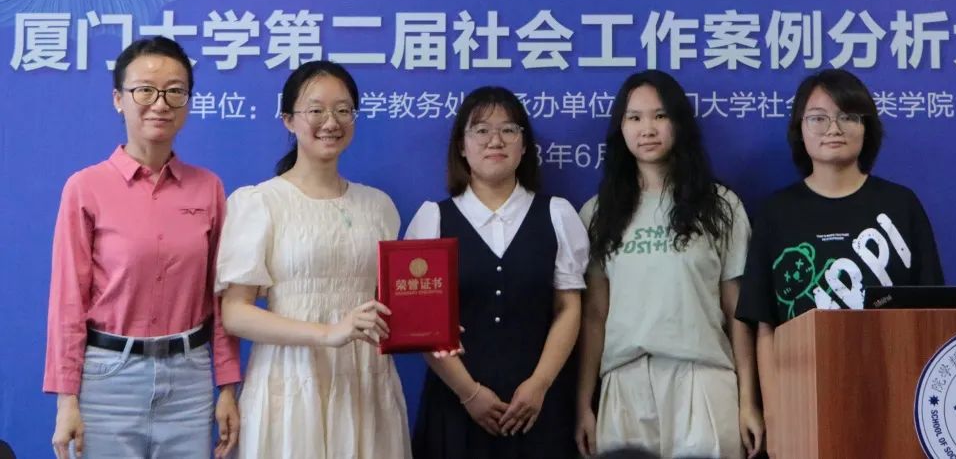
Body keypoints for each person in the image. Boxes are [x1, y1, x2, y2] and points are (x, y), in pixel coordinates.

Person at [44, 36, 241, 459]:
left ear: (187, 102)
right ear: (119, 99)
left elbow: (220, 296)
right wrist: (66, 399)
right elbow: (68, 302)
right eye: (144, 90)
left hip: (189, 381)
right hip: (108, 379)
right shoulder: (86, 187)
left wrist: (227, 386)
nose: (160, 103)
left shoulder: (208, 188)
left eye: (175, 91)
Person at [216, 60, 410, 458]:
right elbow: (235, 313)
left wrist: (431, 326)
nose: (331, 122)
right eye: (316, 110)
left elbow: (390, 302)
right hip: (292, 377)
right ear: (288, 120)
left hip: (365, 379)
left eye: (343, 110)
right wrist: (327, 332)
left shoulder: (379, 206)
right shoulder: (260, 202)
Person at [735, 68, 944, 431]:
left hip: (892, 391)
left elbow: (931, 312)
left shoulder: (901, 205)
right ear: (800, 129)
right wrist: (774, 413)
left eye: (848, 116)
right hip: (802, 396)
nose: (834, 128)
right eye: (818, 118)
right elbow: (765, 325)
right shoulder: (777, 212)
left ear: (867, 127)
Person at [577, 70, 763, 459]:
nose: (647, 129)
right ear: (621, 128)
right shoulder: (598, 213)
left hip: (703, 377)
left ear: (679, 123)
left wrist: (748, 401)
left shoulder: (720, 206)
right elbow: (594, 315)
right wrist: (583, 404)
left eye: (660, 116)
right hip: (625, 380)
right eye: (634, 117)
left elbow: (737, 310)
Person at [405, 86, 588, 459]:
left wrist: (540, 384)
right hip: (455, 407)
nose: (495, 140)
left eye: (508, 130)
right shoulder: (432, 219)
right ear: (462, 146)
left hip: (539, 408)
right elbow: (421, 324)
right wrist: (469, 393)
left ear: (524, 145)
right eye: (481, 130)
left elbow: (568, 307)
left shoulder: (557, 214)